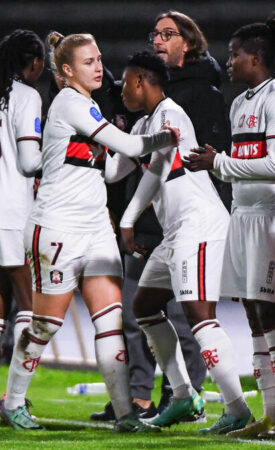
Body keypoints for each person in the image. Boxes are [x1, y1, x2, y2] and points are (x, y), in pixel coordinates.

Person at [0, 31, 179, 432]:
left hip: (96, 227)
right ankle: (12, 403)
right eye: (88, 61)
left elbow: (112, 167)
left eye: (99, 59)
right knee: (45, 325)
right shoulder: (67, 103)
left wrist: (143, 151)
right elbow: (129, 147)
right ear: (65, 71)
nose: (99, 66)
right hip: (58, 227)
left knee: (109, 322)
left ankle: (126, 415)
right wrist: (161, 137)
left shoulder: (89, 106)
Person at [107, 50, 253, 433]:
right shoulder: (142, 127)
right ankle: (184, 395)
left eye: (125, 83)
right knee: (146, 305)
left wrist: (127, 219)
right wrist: (101, 134)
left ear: (141, 80)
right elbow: (112, 171)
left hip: (199, 226)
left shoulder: (171, 114)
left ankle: (237, 409)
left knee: (199, 317)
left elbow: (157, 169)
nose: (122, 89)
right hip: (176, 233)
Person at [183, 17, 275, 440]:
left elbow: (274, 166)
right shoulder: (239, 104)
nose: (228, 61)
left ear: (255, 56)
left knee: (270, 311)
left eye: (234, 54)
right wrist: (220, 164)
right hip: (243, 215)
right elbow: (239, 170)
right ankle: (269, 416)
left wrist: (218, 163)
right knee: (252, 313)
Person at [150, 10, 232, 210]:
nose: (157, 42)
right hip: (150, 212)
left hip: (187, 215)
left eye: (167, 35)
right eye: (155, 35)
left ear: (187, 44)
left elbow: (209, 163)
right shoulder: (152, 89)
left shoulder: (204, 94)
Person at [0, 29, 45, 361]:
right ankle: (15, 396)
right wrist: (59, 153)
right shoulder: (27, 96)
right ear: (35, 62)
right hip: (12, 207)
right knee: (27, 301)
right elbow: (30, 163)